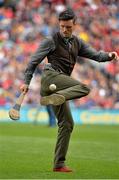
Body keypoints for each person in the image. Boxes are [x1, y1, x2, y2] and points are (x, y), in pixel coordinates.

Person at [20, 8, 119, 172]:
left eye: (68, 27)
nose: (65, 30)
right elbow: (32, 62)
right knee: (84, 87)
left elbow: (96, 56)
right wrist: (26, 82)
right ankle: (57, 96)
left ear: (75, 25)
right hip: (50, 78)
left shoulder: (78, 42)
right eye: (62, 26)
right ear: (59, 25)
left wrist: (110, 55)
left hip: (59, 87)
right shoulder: (50, 40)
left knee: (67, 124)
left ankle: (58, 164)